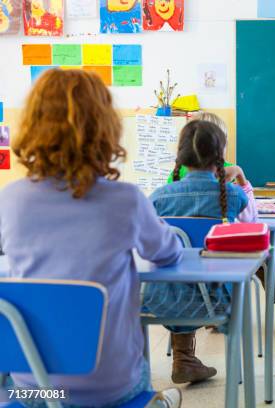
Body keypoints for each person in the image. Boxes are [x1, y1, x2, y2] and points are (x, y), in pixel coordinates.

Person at [0, 69, 182, 407]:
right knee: (136, 360)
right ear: (105, 128)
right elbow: (167, 253)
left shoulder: (9, 200)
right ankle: (159, 402)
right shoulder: (126, 200)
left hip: (34, 389)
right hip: (109, 387)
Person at [148, 120, 275, 385]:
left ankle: (183, 357)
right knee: (258, 259)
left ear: (181, 155)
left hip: (163, 298)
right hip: (218, 296)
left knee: (181, 273)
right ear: (220, 155)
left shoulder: (158, 197)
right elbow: (253, 227)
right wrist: (242, 181)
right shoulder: (230, 193)